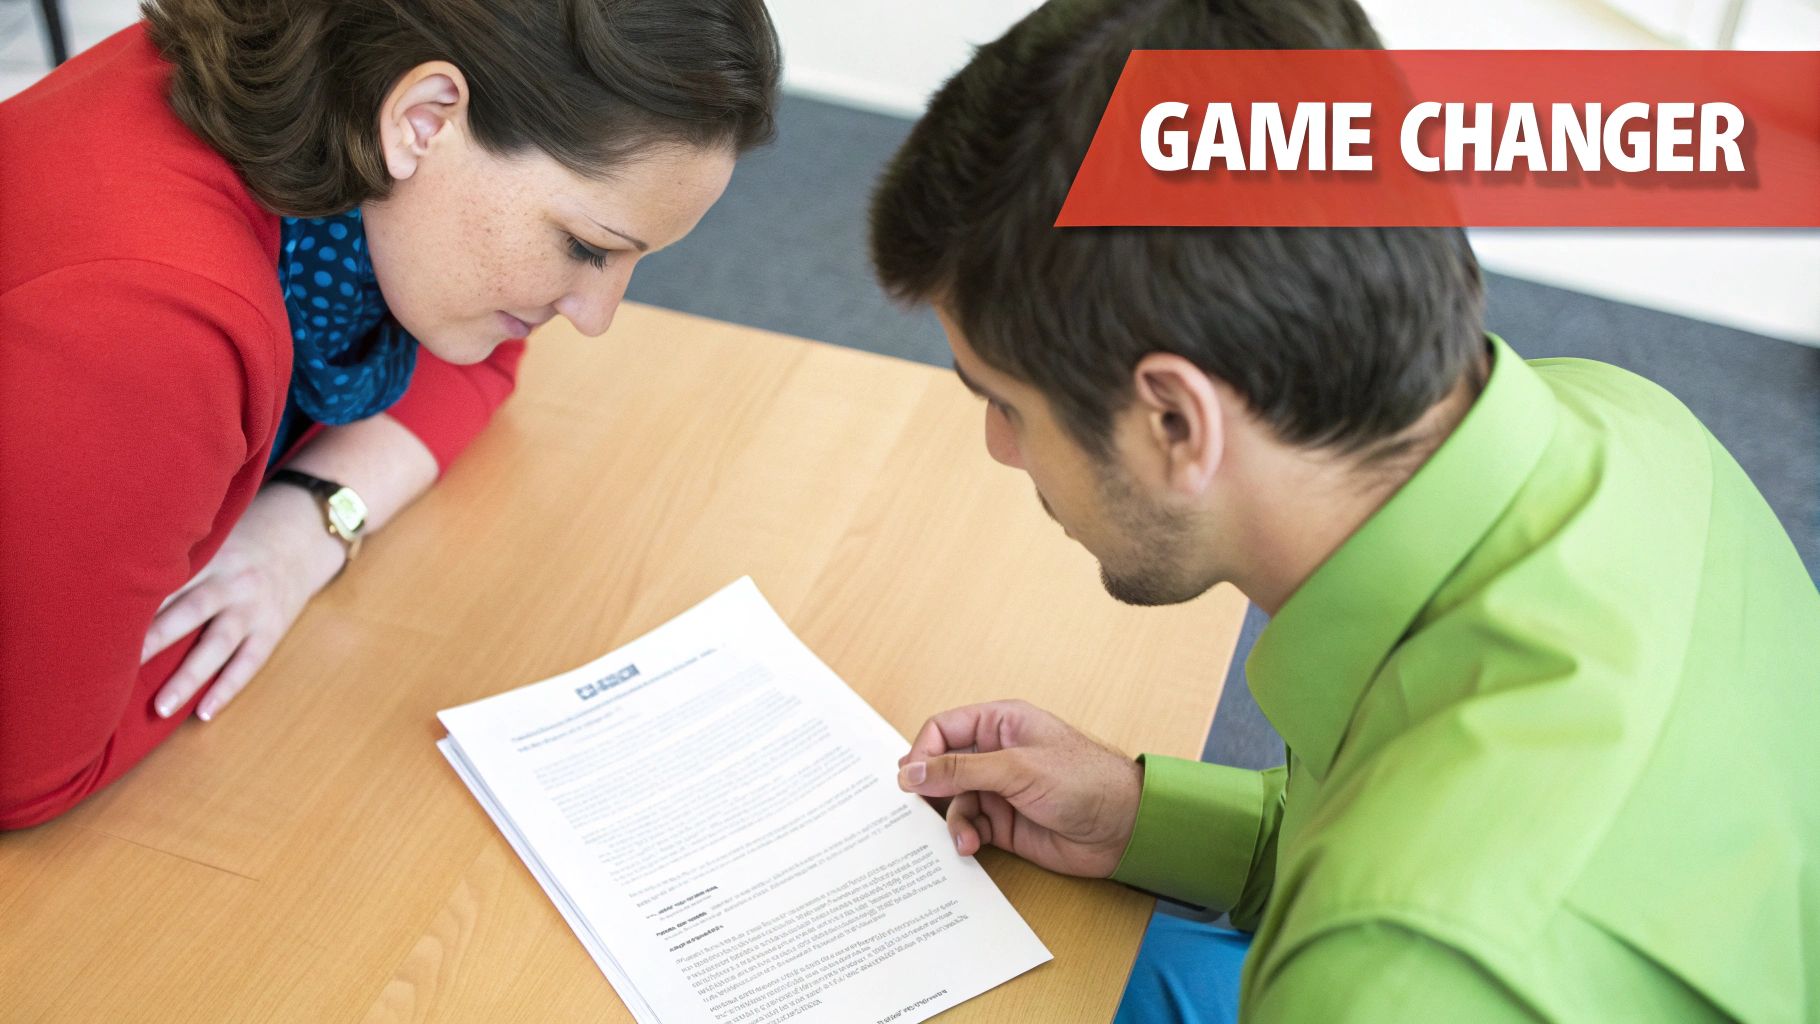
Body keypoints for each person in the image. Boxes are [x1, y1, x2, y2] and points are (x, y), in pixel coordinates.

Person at [867, 0, 1820, 1021]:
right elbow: (1419, 818)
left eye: (1004, 403)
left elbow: (1420, 905)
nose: (996, 446)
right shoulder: (1621, 416)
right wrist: (1143, 814)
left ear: (1176, 422)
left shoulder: (1396, 975)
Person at [0, 0, 779, 829]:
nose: (595, 315)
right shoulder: (156, 328)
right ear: (424, 119)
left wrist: (309, 522)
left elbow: (480, 358)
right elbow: (32, 768)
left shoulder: (331, 126)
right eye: (586, 247)